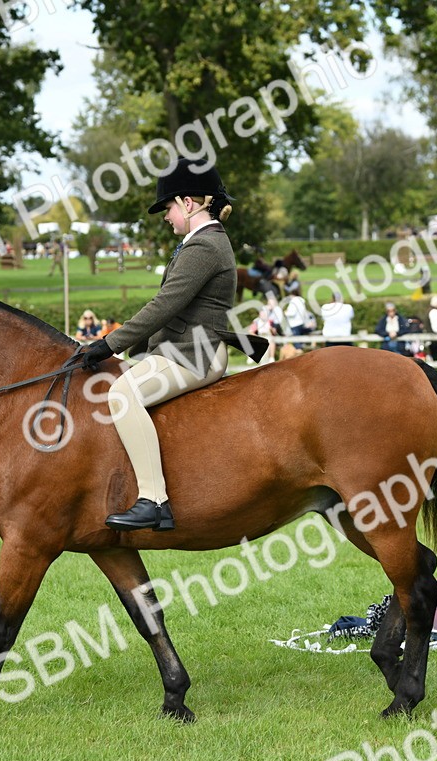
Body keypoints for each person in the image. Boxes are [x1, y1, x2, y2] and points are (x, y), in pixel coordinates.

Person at [80, 157, 257, 533]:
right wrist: (131, 346)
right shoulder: (200, 243)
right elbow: (171, 307)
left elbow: (165, 305)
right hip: (181, 349)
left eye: (170, 207)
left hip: (194, 355)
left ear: (190, 203)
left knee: (122, 395)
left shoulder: (205, 247)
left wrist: (108, 344)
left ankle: (153, 500)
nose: (166, 216)